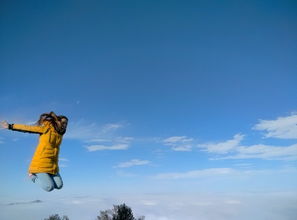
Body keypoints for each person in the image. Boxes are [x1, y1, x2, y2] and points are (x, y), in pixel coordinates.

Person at [0, 112, 68, 192]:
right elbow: (29, 128)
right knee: (49, 187)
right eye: (63, 122)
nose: (65, 125)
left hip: (53, 165)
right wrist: (11, 126)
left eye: (66, 123)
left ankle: (46, 176)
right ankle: (32, 176)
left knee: (59, 186)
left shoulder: (60, 135)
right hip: (41, 163)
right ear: (57, 121)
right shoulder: (47, 128)